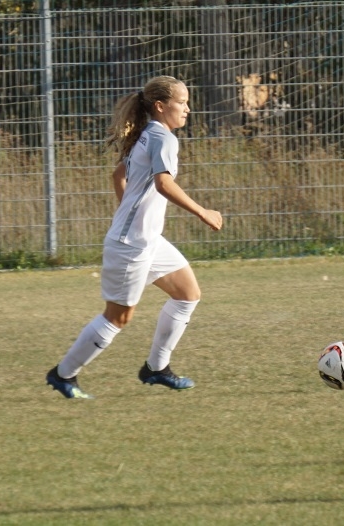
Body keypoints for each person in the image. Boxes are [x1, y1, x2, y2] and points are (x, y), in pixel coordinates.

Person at [46, 75, 224, 399]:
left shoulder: (146, 134)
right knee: (117, 318)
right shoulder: (163, 138)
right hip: (131, 245)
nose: (188, 109)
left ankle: (157, 368)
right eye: (182, 102)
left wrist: (130, 214)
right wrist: (203, 212)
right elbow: (163, 184)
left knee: (187, 294)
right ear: (160, 106)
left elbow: (119, 175)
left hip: (147, 239)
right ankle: (63, 375)